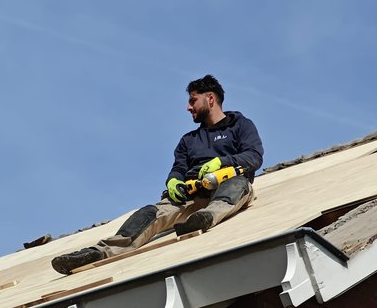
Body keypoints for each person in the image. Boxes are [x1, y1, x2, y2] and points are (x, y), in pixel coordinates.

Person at [51, 75, 264, 274]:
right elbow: (179, 168)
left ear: (210, 98)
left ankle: (206, 218)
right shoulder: (188, 140)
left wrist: (221, 163)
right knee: (148, 213)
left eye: (193, 100)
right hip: (191, 195)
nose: (188, 107)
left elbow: (254, 156)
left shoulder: (240, 125)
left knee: (237, 184)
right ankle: (100, 251)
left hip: (227, 187)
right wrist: (174, 181)